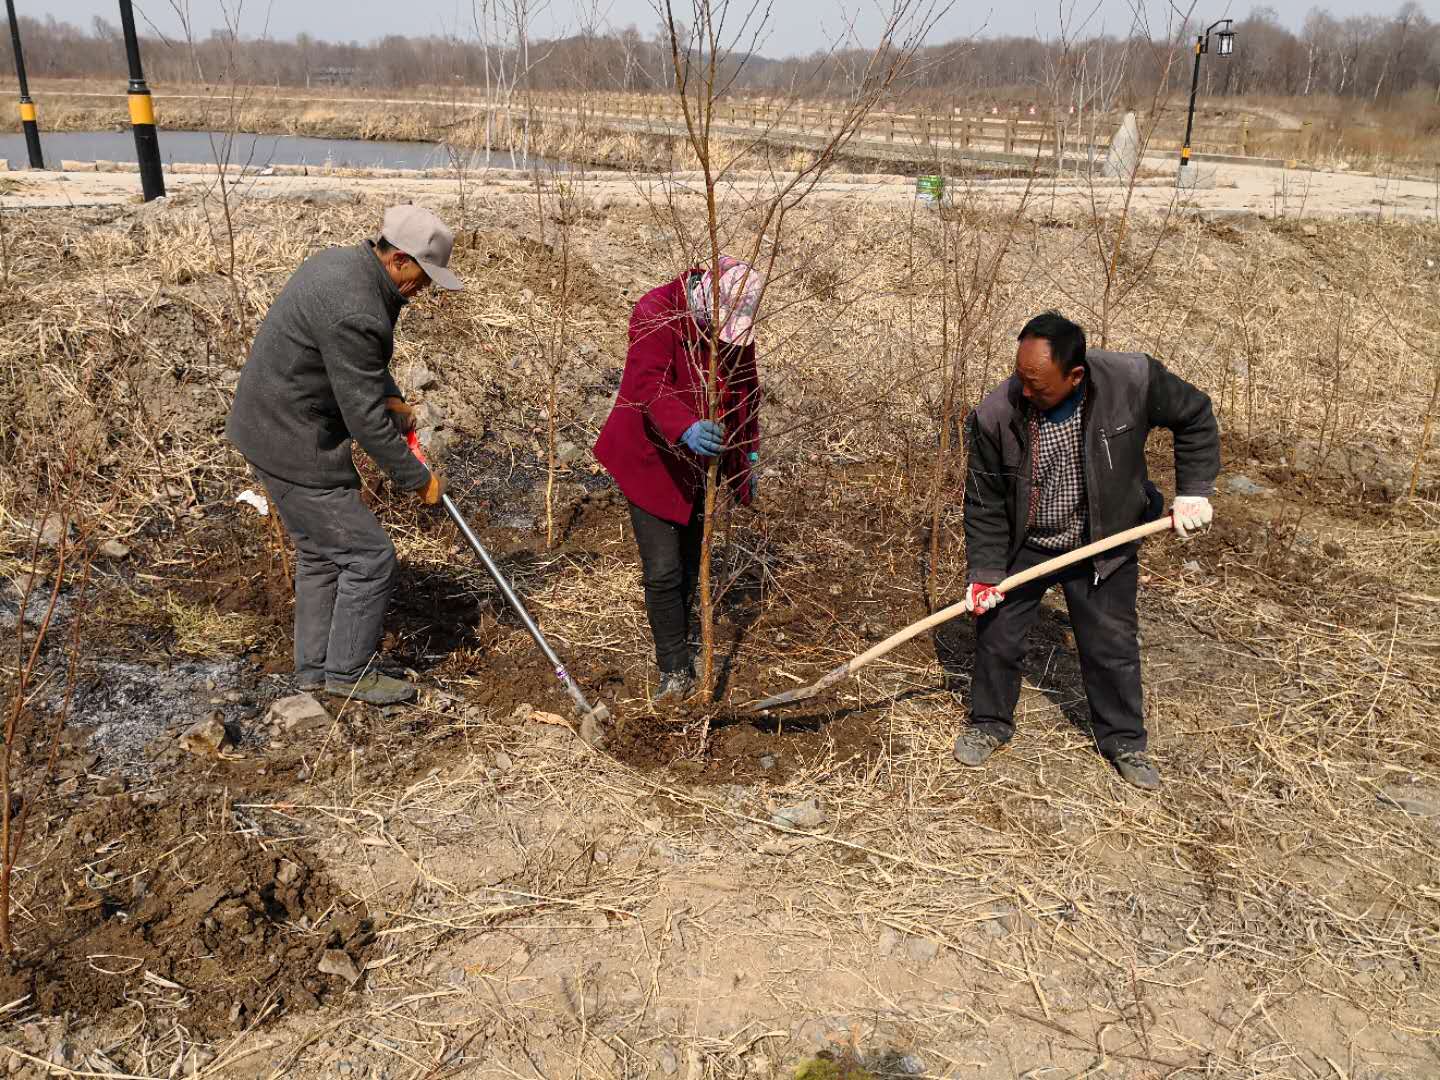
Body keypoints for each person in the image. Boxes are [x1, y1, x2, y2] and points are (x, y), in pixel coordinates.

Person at [954, 311, 1219, 790]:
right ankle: (989, 722)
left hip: (1102, 539)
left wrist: (1194, 489)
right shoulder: (996, 413)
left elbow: (1195, 414)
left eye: (1038, 385)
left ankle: (1124, 742)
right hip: (1028, 543)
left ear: (1075, 375)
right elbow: (985, 501)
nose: (1025, 392)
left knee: (1111, 644)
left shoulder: (1131, 380)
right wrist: (986, 571)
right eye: (1020, 378)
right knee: (998, 635)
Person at [226, 205, 462, 705]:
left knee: (319, 553)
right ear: (399, 259)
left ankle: (315, 671)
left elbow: (357, 361)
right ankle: (349, 673)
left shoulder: (344, 265)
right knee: (369, 557)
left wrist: (391, 392)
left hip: (270, 425)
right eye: (423, 276)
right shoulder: (355, 304)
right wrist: (416, 478)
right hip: (292, 439)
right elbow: (364, 421)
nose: (424, 290)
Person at [594, 256, 763, 703]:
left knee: (691, 560)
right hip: (650, 457)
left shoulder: (731, 325)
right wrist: (684, 424)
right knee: (664, 570)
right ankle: (673, 668)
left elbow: (745, 389)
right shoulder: (656, 310)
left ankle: (684, 635)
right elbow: (647, 385)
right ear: (705, 296)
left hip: (700, 463)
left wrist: (748, 453)